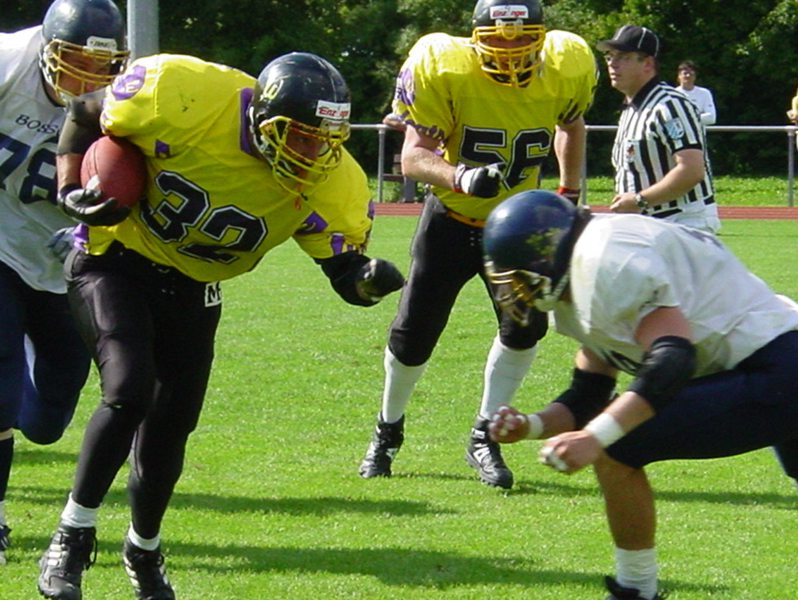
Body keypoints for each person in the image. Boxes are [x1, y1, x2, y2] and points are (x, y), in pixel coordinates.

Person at [35, 51, 404, 600]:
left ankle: (143, 549)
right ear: (262, 119)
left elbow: (343, 272)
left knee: (171, 425)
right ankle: (71, 536)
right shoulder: (180, 93)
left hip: (193, 286)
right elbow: (86, 111)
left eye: (326, 139)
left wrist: (367, 281)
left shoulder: (335, 182)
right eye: (301, 137)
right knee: (129, 389)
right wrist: (70, 191)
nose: (314, 152)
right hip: (115, 258)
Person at [482, 190, 798, 600]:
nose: (516, 292)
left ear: (545, 256)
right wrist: (531, 425)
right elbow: (589, 393)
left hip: (776, 367)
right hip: (774, 361)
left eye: (518, 277)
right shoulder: (589, 264)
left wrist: (595, 438)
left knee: (618, 448)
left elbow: (672, 359)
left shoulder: (605, 262)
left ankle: (635, 590)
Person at [358, 0, 597, 490]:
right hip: (451, 219)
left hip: (517, 231)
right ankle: (387, 429)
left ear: (541, 38)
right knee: (414, 334)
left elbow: (571, 125)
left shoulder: (564, 67)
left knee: (524, 329)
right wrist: (461, 176)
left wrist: (569, 193)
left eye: (522, 37)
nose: (510, 49)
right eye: (499, 39)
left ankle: (484, 434)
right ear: (475, 40)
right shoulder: (446, 68)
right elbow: (414, 157)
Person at [0, 0, 128, 567]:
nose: (87, 79)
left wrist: (86, 226)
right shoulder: (8, 63)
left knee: (47, 421)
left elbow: (142, 187)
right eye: (75, 62)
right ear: (48, 50)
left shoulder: (130, 100)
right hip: (0, 241)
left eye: (100, 67)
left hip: (66, 267)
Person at [598, 26, 720, 234]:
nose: (613, 64)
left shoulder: (669, 105)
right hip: (650, 223)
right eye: (610, 56)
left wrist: (640, 200)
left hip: (681, 221)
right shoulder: (633, 108)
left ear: (647, 64)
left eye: (624, 57)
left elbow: (691, 169)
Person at [381, 113, 418, 203]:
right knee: (409, 168)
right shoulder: (405, 113)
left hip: (433, 149)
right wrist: (405, 127)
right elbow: (386, 120)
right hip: (413, 148)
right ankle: (409, 200)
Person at [675, 59, 716, 125]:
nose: (688, 76)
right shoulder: (673, 94)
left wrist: (685, 119)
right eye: (685, 73)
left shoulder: (705, 93)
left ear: (695, 76)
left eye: (691, 73)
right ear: (679, 76)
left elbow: (711, 118)